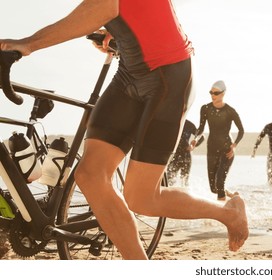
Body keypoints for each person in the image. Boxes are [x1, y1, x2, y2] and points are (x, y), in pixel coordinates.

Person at [0, 0, 248, 259]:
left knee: (141, 198)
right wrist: (117, 28)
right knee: (90, 175)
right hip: (129, 72)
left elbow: (102, 7)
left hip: (169, 75)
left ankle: (229, 211)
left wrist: (27, 43)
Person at [192, 80, 244, 201]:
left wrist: (234, 146)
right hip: (211, 148)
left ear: (223, 93)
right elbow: (200, 128)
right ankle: (231, 195)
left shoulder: (230, 111)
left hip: (227, 149)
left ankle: (223, 213)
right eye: (211, 92)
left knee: (220, 181)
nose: (212, 95)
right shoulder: (205, 108)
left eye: (215, 93)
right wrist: (195, 139)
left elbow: (241, 130)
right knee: (214, 188)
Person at [167, 119, 203, 186]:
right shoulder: (169, 123)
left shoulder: (188, 124)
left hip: (185, 155)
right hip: (173, 156)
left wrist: (193, 145)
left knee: (184, 182)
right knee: (169, 181)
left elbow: (200, 136)